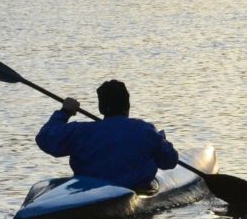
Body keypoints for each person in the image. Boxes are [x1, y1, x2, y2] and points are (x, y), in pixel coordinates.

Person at [35, 80, 179, 190]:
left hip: (89, 192)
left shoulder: (80, 132)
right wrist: (161, 140)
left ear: (101, 108)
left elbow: (45, 138)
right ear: (127, 105)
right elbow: (170, 161)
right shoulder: (145, 131)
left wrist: (65, 112)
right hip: (132, 190)